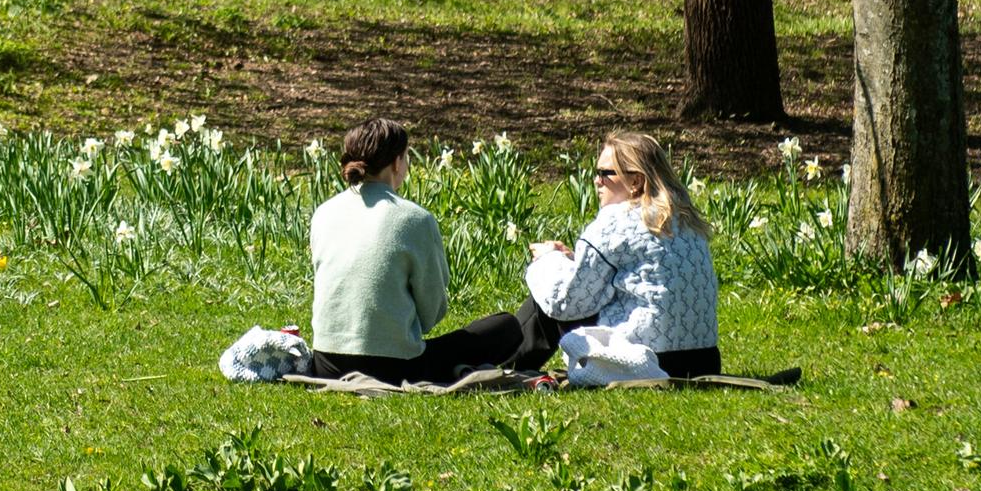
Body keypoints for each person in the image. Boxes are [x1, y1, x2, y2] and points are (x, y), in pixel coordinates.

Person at [303, 117, 550, 384]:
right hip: (393, 369)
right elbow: (431, 313)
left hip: (326, 364)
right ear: (397, 162)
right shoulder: (415, 218)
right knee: (505, 327)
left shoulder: (323, 213)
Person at [524, 129, 724, 382]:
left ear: (636, 182)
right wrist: (571, 260)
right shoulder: (685, 218)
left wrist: (547, 259)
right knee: (565, 278)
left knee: (549, 289)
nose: (597, 181)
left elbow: (563, 302)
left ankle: (502, 365)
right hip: (702, 361)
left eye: (605, 174)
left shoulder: (614, 221)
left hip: (645, 361)